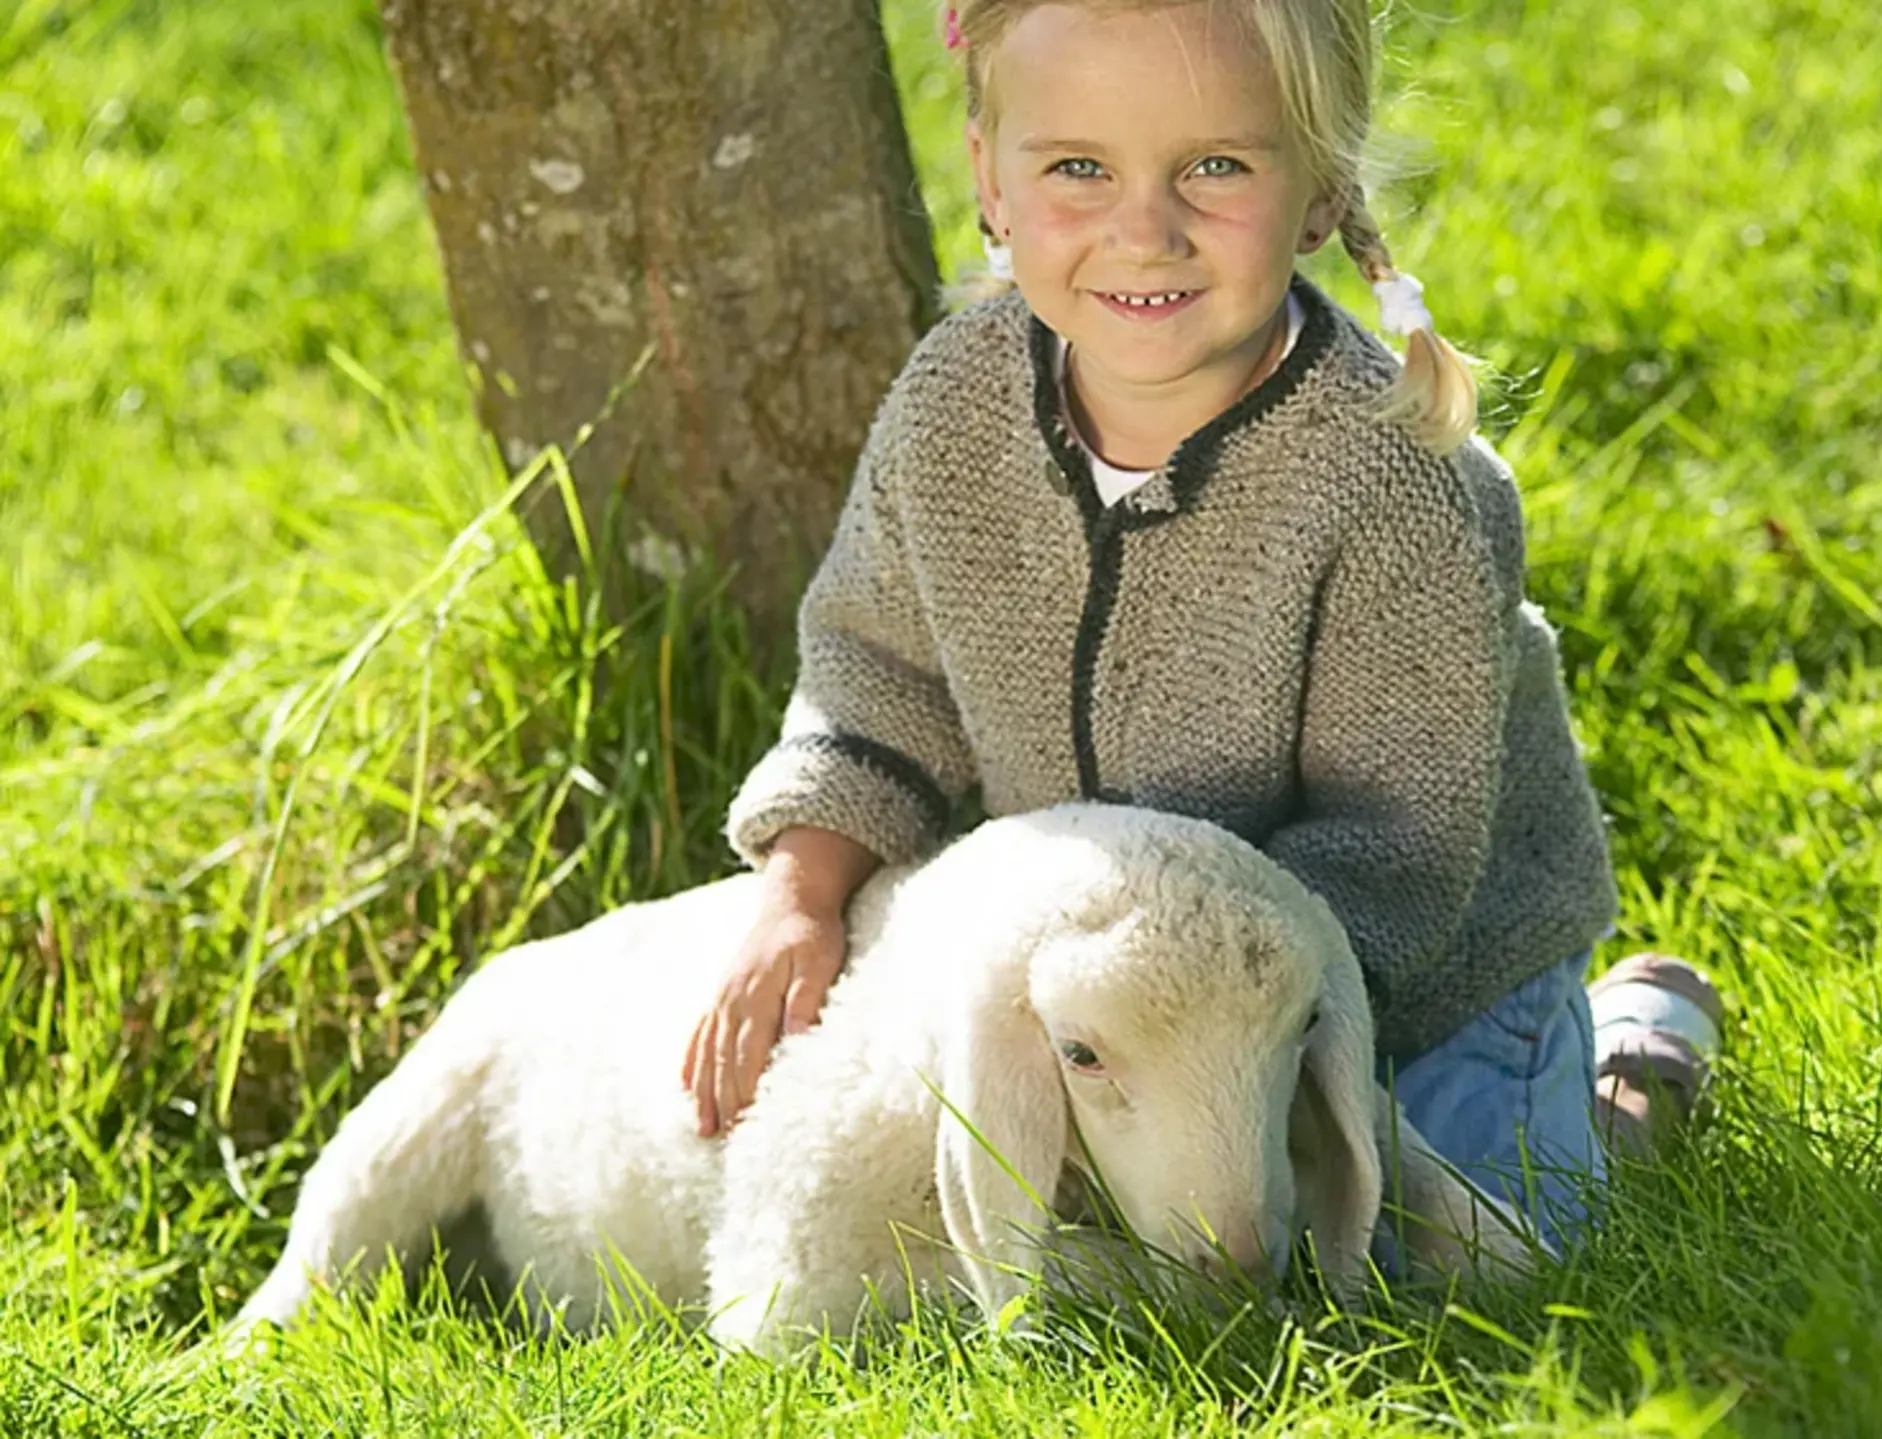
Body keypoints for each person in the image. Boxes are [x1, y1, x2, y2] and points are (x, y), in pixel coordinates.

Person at [680, 0, 1722, 1252]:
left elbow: (1402, 845)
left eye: (1215, 167)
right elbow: (875, 681)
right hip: (1130, 996)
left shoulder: (1393, 483)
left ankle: (1622, 1076)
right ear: (990, 183)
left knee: (1447, 1262)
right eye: (1078, 168)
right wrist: (799, 893)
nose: (1144, 229)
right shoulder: (953, 409)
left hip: (1399, 981)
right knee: (1050, 1236)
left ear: (1322, 187)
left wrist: (1204, 1042)